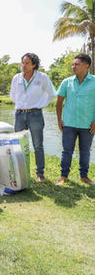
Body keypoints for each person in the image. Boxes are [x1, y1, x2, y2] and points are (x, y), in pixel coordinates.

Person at [10, 53, 56, 182]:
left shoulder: (42, 77)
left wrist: (40, 104)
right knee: (18, 144)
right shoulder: (17, 78)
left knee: (37, 145)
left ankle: (40, 173)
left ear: (34, 65)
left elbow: (51, 94)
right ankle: (21, 171)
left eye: (27, 63)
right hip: (19, 114)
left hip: (35, 114)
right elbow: (13, 95)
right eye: (22, 63)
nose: (23, 66)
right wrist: (21, 106)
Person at [56, 53, 95, 186]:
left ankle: (84, 176)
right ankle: (63, 176)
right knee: (67, 151)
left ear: (86, 66)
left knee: (85, 151)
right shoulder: (66, 82)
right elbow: (59, 102)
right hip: (69, 123)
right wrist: (59, 119)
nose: (73, 66)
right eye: (73, 64)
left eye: (76, 64)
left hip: (88, 124)